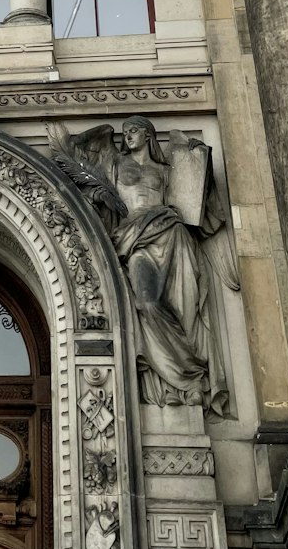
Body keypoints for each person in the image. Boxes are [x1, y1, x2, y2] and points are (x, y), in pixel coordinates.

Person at [50, 116, 235, 413]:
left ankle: (187, 387)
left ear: (149, 135)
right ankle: (178, 376)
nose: (128, 136)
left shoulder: (165, 170)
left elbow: (196, 202)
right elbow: (79, 161)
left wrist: (199, 161)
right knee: (149, 304)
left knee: (184, 311)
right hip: (133, 241)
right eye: (126, 132)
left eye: (134, 130)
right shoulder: (116, 165)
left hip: (172, 236)